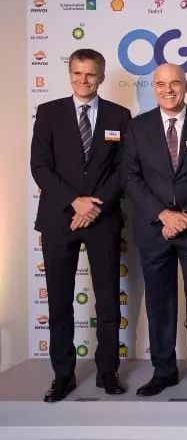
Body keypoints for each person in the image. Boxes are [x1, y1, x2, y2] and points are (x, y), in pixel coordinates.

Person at [31, 48, 130, 402]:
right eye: (77, 73)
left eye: (90, 74)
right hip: (59, 218)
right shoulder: (48, 113)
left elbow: (123, 169)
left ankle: (108, 371)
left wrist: (93, 206)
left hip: (102, 219)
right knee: (59, 300)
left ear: (101, 77)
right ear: (69, 74)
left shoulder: (120, 115)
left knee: (107, 300)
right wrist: (75, 202)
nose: (83, 80)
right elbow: (40, 166)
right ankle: (63, 375)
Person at [122, 63, 187, 397]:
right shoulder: (137, 128)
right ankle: (164, 370)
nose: (168, 90)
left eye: (175, 84)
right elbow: (130, 177)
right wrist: (163, 214)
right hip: (154, 229)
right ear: (153, 88)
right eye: (161, 84)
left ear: (186, 86)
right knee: (160, 303)